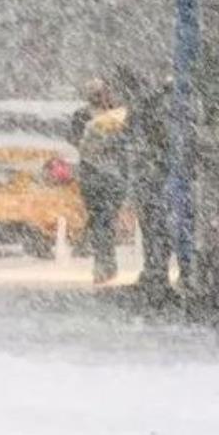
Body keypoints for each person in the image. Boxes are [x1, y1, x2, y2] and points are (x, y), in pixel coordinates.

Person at [116, 66, 178, 304]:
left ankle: (155, 276)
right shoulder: (158, 106)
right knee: (158, 230)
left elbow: (129, 141)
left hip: (151, 179)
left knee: (154, 230)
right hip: (157, 179)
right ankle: (156, 276)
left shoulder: (145, 106)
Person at [74, 78, 129, 284]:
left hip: (111, 177)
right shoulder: (82, 116)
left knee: (104, 221)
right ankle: (103, 263)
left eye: (101, 92)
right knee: (100, 221)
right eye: (94, 93)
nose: (98, 97)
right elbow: (76, 139)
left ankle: (105, 262)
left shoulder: (119, 115)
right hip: (94, 175)